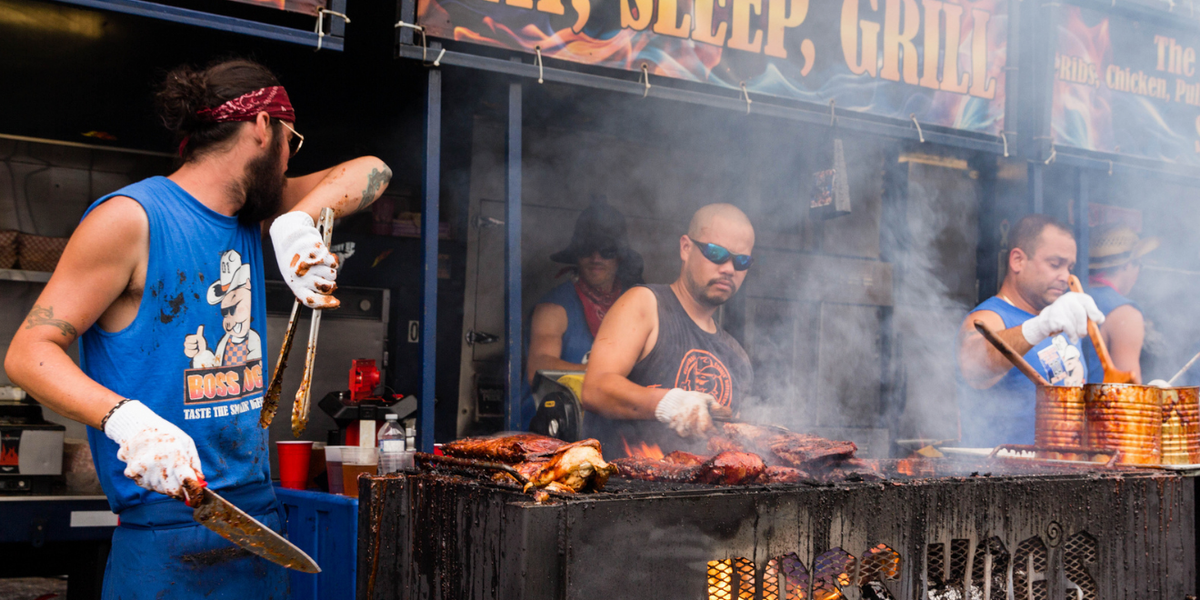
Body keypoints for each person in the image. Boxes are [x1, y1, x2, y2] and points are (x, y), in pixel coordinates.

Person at [5, 59, 391, 599]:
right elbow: (28, 353)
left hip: (258, 522)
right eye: (291, 140)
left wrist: (298, 219)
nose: (288, 159)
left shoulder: (253, 212)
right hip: (166, 536)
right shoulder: (130, 218)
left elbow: (372, 171)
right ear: (262, 126)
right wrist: (127, 421)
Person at [581, 203, 754, 455]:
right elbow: (595, 389)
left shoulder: (736, 356)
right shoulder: (644, 304)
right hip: (624, 488)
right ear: (685, 248)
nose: (729, 268)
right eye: (716, 253)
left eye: (741, 261)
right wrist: (670, 404)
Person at [956, 215, 1104, 447]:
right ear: (1017, 260)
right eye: (1055, 264)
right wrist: (1038, 327)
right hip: (1004, 477)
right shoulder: (989, 317)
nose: (1065, 277)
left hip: (1066, 473)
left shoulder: (1059, 317)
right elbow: (973, 364)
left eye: (1070, 267)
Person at [523, 199, 644, 428]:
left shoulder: (636, 304)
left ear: (619, 257)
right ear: (576, 255)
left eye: (607, 250)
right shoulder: (553, 308)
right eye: (587, 249)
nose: (596, 258)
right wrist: (606, 375)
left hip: (610, 434)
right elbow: (538, 368)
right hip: (550, 433)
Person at [1083, 225, 1157, 384]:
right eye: (1139, 265)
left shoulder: (1067, 294)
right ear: (1127, 264)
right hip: (1097, 407)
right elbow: (1129, 391)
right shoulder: (1125, 314)